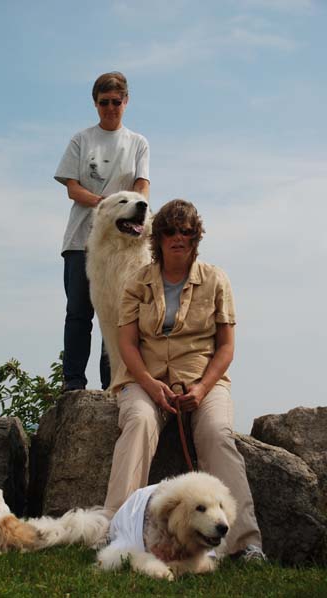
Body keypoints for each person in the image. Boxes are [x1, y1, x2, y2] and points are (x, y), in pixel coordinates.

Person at [103, 199, 265, 560]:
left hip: (204, 380)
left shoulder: (216, 279)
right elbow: (126, 343)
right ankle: (114, 529)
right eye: (172, 231)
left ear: (196, 238)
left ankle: (245, 543)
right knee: (139, 423)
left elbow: (225, 347)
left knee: (217, 435)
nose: (179, 238)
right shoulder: (136, 281)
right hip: (145, 378)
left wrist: (203, 387)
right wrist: (148, 382)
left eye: (188, 232)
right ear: (157, 238)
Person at [54, 72, 150, 391]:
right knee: (79, 313)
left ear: (126, 102)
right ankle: (74, 383)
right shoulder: (81, 140)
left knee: (120, 315)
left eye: (116, 102)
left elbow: (142, 186)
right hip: (82, 240)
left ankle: (116, 382)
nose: (111, 108)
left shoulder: (138, 143)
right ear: (95, 104)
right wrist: (106, 205)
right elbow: (72, 187)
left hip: (124, 246)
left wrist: (129, 207)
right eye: (104, 102)